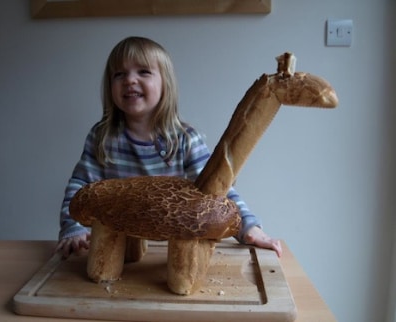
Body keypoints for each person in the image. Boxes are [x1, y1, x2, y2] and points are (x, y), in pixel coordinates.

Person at [55, 36, 282, 259]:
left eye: (143, 71)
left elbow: (218, 190)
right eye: (119, 74)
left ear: (166, 84)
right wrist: (73, 228)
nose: (129, 80)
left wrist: (249, 227)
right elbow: (80, 187)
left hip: (172, 248)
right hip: (118, 245)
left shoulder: (186, 139)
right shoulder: (102, 137)